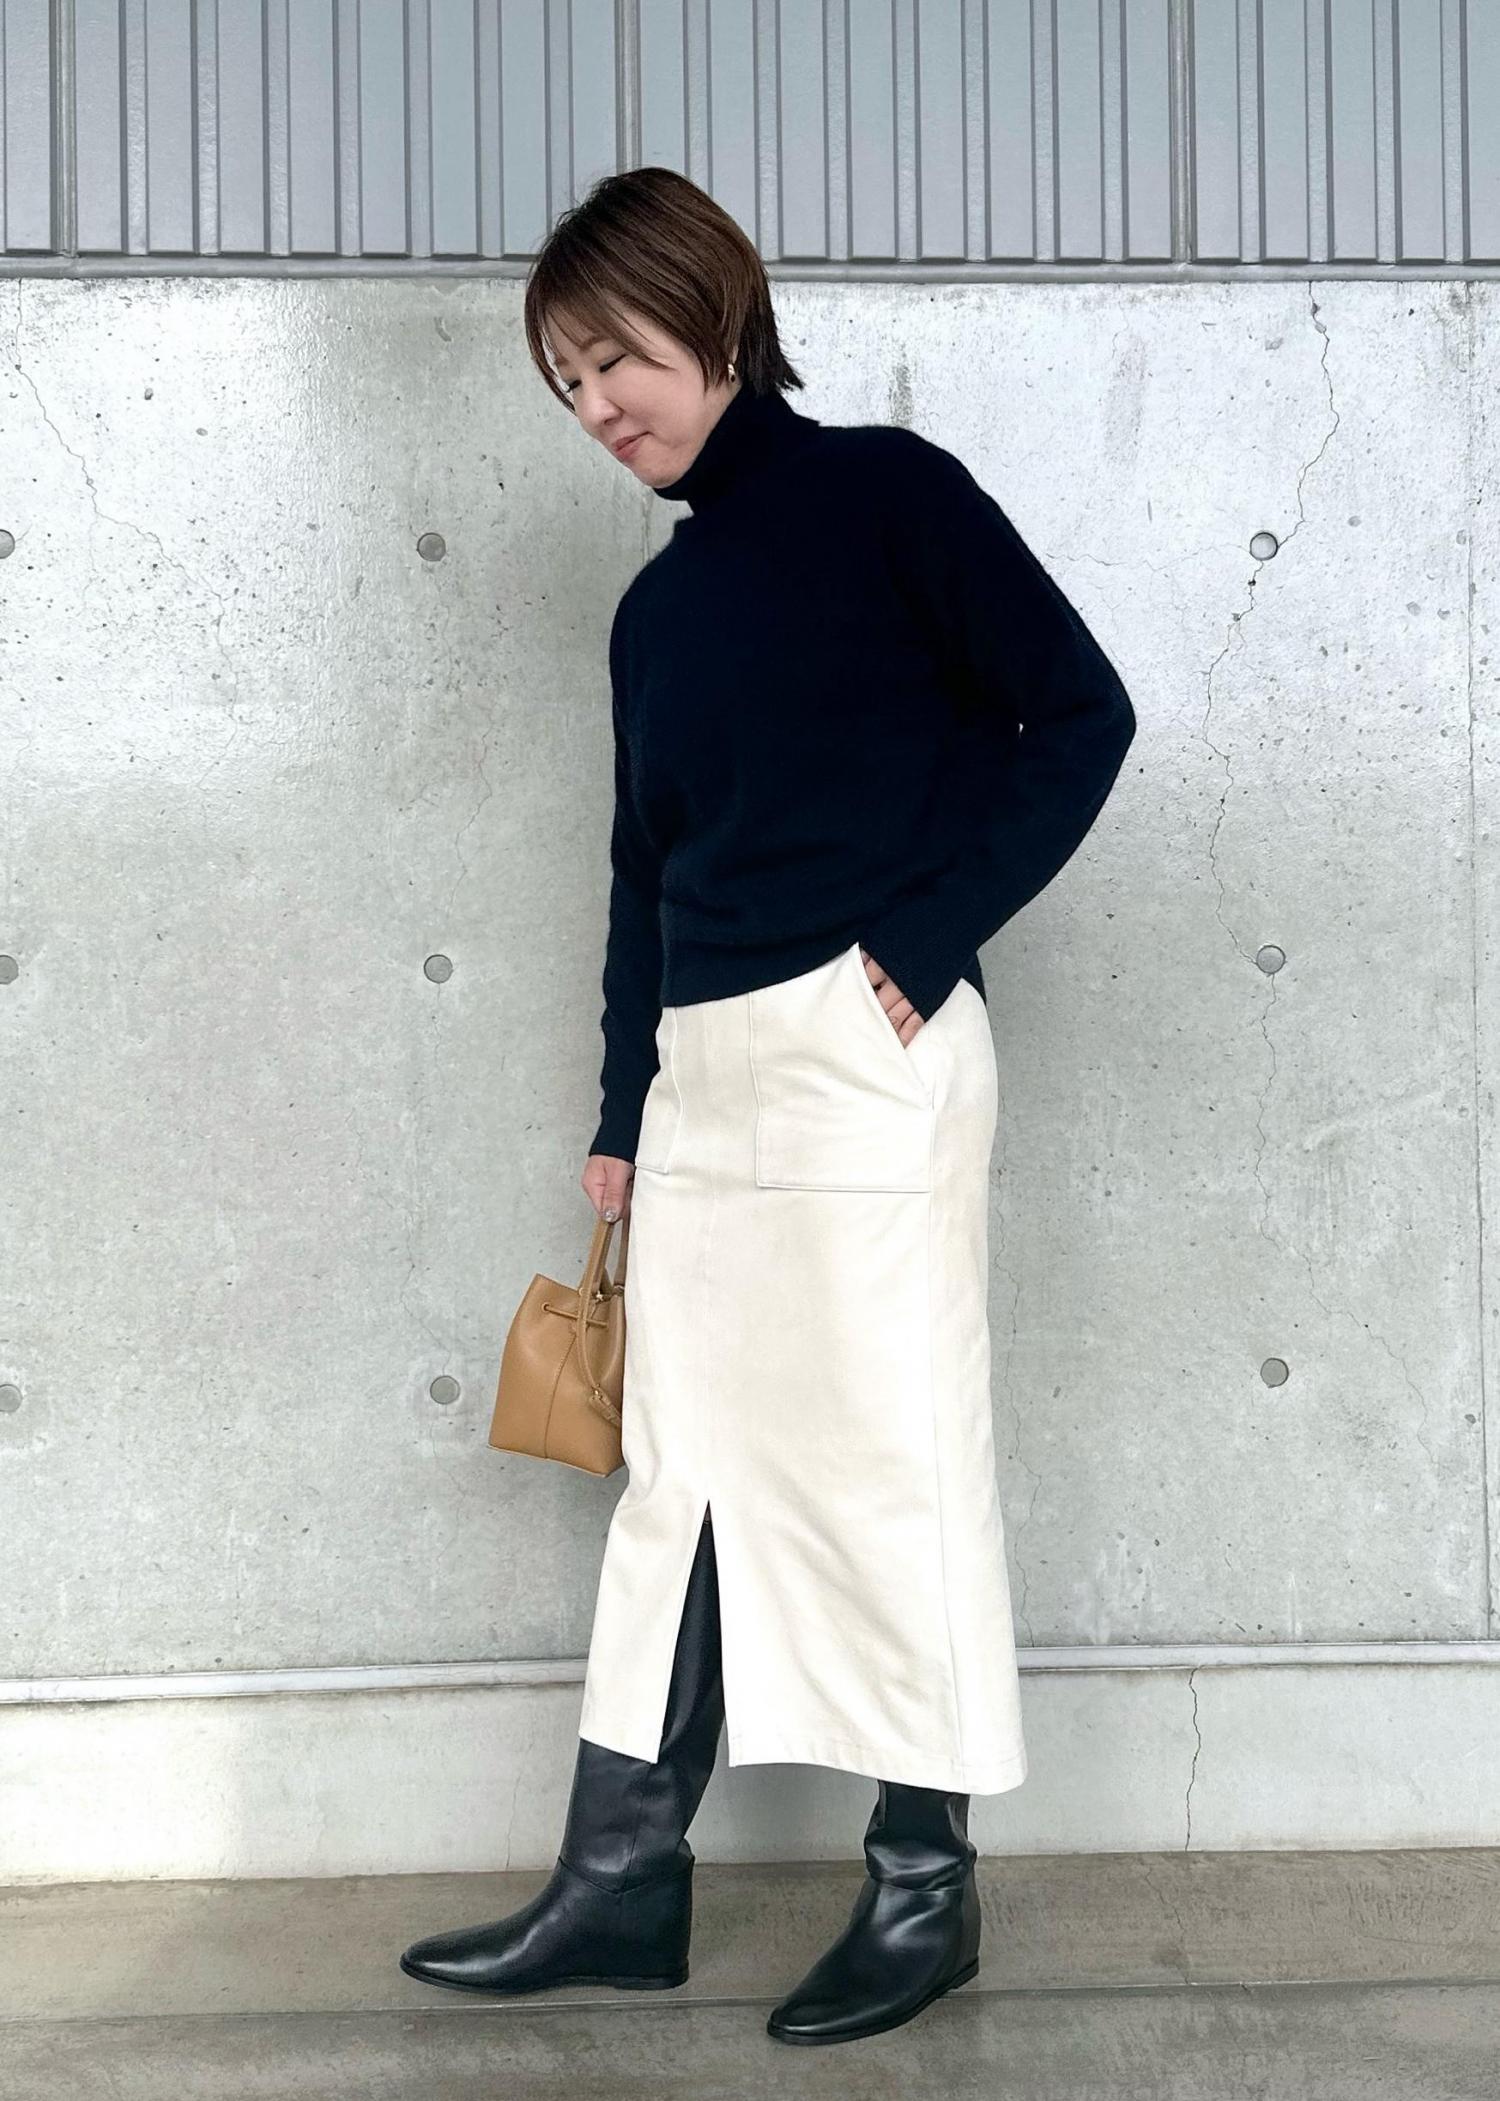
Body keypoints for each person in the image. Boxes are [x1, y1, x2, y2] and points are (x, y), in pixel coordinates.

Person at [401, 165, 1136, 2048]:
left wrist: (926, 938)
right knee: (682, 1473)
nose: (598, 406)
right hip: (705, 1073)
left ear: (714, 312)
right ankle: (622, 1878)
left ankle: (923, 1887)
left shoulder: (890, 497)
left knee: (891, 1454)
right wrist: (621, 1106)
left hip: (863, 1053)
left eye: (615, 358)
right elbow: (641, 879)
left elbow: (1082, 714)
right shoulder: (656, 614)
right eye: (568, 382)